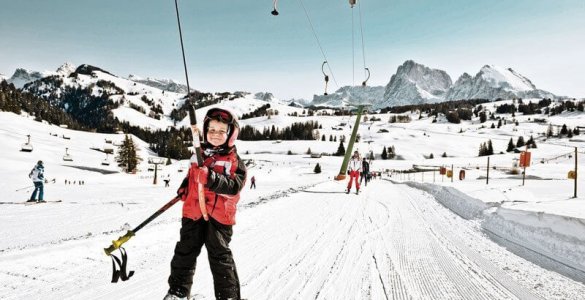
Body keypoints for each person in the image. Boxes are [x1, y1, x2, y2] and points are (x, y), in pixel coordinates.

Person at [165, 108, 247, 300]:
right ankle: (178, 292)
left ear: (231, 134)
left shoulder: (234, 161)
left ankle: (228, 296)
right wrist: (185, 187)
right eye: (211, 130)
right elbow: (191, 176)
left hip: (219, 217)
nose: (216, 135)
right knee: (184, 252)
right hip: (193, 212)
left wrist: (210, 178)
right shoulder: (197, 154)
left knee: (220, 258)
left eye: (221, 131)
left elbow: (234, 186)